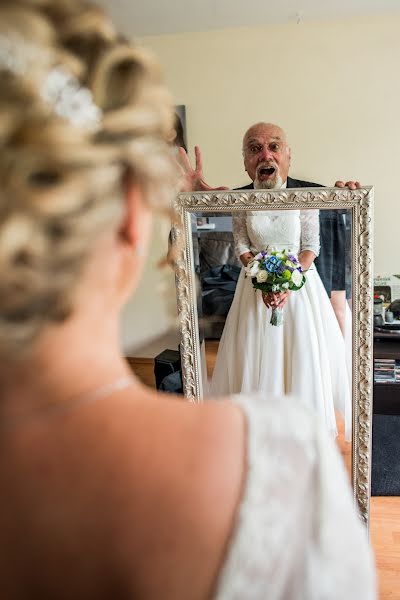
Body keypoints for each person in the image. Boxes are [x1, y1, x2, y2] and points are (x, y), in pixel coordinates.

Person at [0, 3, 375, 599]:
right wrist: (249, 255)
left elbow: (310, 242)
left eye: (274, 144)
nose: (265, 154)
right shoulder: (283, 468)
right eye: (256, 146)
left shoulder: (308, 196)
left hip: (297, 293)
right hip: (257, 293)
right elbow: (239, 241)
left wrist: (308, 250)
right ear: (132, 215)